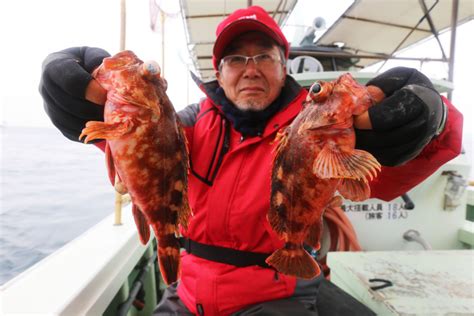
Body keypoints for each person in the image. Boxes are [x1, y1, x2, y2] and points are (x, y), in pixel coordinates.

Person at [39, 5, 462, 316]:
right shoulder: (182, 126)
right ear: (218, 71)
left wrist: (434, 119)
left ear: (284, 64)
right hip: (187, 292)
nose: (251, 69)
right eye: (236, 59)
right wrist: (77, 104)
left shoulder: (321, 125)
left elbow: (390, 173)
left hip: (282, 293)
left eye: (264, 56)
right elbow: (137, 146)